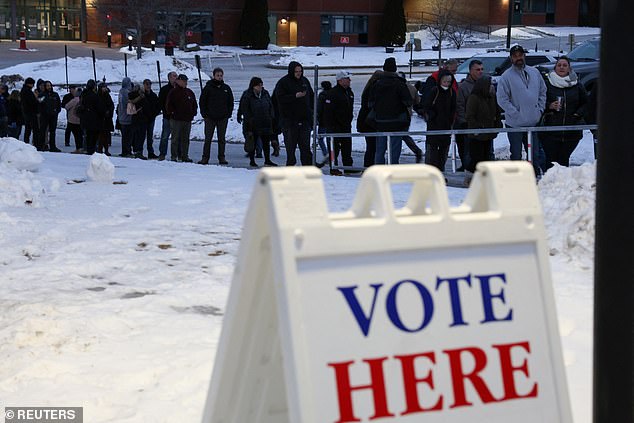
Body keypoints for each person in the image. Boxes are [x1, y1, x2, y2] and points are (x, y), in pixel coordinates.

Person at [496, 45, 547, 176]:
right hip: (515, 124)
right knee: (516, 153)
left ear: (524, 56)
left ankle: (535, 176)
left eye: (520, 55)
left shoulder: (534, 72)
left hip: (533, 122)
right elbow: (502, 99)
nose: (518, 58)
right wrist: (516, 113)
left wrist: (539, 109)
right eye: (515, 56)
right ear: (511, 58)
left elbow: (543, 91)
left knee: (534, 153)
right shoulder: (506, 76)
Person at [540, 56, 588, 169]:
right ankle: (548, 184)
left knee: (563, 161)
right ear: (555, 68)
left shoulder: (577, 85)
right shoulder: (547, 84)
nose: (561, 67)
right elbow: (539, 101)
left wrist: (577, 114)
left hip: (571, 132)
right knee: (550, 162)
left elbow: (586, 103)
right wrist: (549, 105)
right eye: (559, 65)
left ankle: (562, 185)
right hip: (550, 132)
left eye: (565, 65)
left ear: (569, 69)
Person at [368, 57, 412, 165]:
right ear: (395, 69)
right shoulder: (400, 84)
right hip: (397, 122)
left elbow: (370, 103)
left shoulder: (376, 84)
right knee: (394, 150)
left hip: (380, 121)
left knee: (380, 150)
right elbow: (408, 102)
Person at [273, 61, 315, 166]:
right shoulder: (283, 83)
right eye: (296, 71)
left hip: (304, 119)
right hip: (289, 121)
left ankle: (308, 167)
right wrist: (294, 96)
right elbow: (279, 99)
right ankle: (290, 167)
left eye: (300, 71)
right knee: (290, 148)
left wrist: (312, 112)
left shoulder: (304, 81)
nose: (298, 73)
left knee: (305, 147)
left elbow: (311, 97)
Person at [465, 76, 501, 178]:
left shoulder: (491, 97)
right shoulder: (474, 98)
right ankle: (472, 175)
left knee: (486, 156)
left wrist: (497, 125)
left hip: (488, 133)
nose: (491, 87)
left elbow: (497, 112)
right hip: (477, 135)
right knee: (477, 157)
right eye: (490, 85)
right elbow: (470, 116)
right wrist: (478, 127)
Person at [238, 76, 277, 168]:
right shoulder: (248, 95)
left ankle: (267, 160)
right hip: (253, 123)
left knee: (266, 142)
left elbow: (270, 105)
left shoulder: (265, 93)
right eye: (258, 85)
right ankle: (252, 160)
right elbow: (245, 109)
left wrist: (271, 117)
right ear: (253, 86)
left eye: (261, 85)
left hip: (265, 121)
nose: (260, 87)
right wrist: (249, 120)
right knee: (253, 142)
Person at [422, 69, 456, 172]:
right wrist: (432, 115)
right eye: (445, 81)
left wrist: (451, 121)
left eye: (449, 82)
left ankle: (440, 172)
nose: (446, 84)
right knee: (432, 152)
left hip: (446, 126)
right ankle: (431, 173)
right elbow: (426, 106)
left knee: (443, 153)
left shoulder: (451, 92)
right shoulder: (435, 91)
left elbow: (453, 108)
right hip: (434, 126)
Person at [198, 67, 234, 165]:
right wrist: (204, 114)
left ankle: (221, 157)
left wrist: (228, 114)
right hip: (210, 118)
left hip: (222, 118)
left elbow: (231, 102)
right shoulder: (208, 88)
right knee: (208, 139)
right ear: (214, 76)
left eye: (221, 75)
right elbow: (202, 102)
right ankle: (205, 158)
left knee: (221, 139)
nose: (219, 77)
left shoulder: (226, 88)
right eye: (217, 75)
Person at [323, 70, 355, 173]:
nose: (349, 80)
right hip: (334, 126)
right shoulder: (332, 93)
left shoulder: (349, 92)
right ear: (340, 80)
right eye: (347, 78)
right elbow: (328, 111)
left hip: (346, 125)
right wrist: (331, 124)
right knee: (334, 148)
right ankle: (334, 167)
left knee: (347, 147)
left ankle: (348, 167)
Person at [455, 59, 484, 171]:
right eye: (477, 69)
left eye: (482, 69)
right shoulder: (464, 87)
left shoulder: (486, 85)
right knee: (468, 151)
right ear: (471, 71)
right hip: (468, 126)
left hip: (483, 125)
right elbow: (460, 105)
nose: (480, 72)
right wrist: (465, 122)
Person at [165, 74, 197, 162]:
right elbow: (168, 105)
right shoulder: (173, 92)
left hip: (187, 119)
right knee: (175, 138)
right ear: (178, 81)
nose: (185, 82)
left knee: (185, 139)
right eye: (183, 81)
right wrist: (172, 113)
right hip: (176, 119)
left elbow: (194, 104)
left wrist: (193, 113)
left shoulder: (189, 92)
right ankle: (174, 156)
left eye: (186, 81)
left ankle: (184, 156)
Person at [357, 70, 382, 167]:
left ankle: (368, 166)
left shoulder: (368, 87)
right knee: (372, 147)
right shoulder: (374, 88)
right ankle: (369, 166)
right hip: (370, 122)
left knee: (371, 146)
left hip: (365, 121)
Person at [399, 72, 424, 163]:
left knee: (401, 136)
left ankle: (417, 150)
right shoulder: (412, 88)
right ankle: (416, 151)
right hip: (407, 116)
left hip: (398, 116)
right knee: (403, 135)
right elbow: (417, 102)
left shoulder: (398, 87)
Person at [79, 79, 106, 155]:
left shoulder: (83, 95)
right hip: (95, 121)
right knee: (93, 138)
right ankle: (92, 152)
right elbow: (100, 109)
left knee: (88, 137)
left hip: (85, 119)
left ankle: (88, 150)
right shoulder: (95, 96)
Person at [157, 71, 177, 161]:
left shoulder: (179, 89)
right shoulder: (164, 89)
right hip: (167, 117)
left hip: (177, 117)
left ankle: (177, 154)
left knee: (177, 137)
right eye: (173, 76)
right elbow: (160, 102)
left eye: (176, 76)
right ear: (169, 78)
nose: (175, 78)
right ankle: (162, 153)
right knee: (165, 136)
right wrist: (166, 111)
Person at [39, 81, 62, 152]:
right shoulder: (42, 95)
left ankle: (53, 146)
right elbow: (39, 104)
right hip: (44, 116)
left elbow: (59, 104)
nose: (49, 87)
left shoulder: (55, 95)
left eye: (50, 85)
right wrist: (43, 112)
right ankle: (42, 146)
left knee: (52, 132)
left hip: (53, 116)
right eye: (47, 85)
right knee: (43, 131)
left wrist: (57, 112)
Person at [315, 80, 333, 167]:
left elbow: (319, 108)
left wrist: (317, 118)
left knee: (320, 138)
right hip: (331, 120)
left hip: (323, 120)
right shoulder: (333, 94)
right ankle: (331, 155)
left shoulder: (322, 95)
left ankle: (326, 153)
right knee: (330, 139)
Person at [141, 79, 161, 159]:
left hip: (151, 118)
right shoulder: (141, 95)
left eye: (149, 84)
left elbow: (158, 106)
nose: (148, 86)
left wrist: (154, 114)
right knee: (141, 136)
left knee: (150, 137)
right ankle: (139, 151)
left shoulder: (153, 95)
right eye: (146, 84)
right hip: (143, 119)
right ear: (144, 85)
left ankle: (150, 152)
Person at [21, 77, 41, 149]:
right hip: (31, 113)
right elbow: (32, 102)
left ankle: (26, 144)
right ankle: (36, 145)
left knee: (27, 130)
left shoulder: (23, 90)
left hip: (26, 113)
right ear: (30, 84)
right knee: (35, 130)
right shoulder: (28, 92)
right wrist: (38, 101)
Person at [117, 77, 134, 157]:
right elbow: (129, 103)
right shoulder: (127, 93)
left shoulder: (121, 91)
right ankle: (127, 151)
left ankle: (125, 150)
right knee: (128, 136)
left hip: (121, 116)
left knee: (124, 136)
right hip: (127, 117)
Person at [64, 87, 84, 153]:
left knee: (76, 135)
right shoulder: (82, 100)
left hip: (72, 120)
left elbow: (67, 106)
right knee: (80, 135)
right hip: (80, 120)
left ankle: (78, 148)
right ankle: (81, 147)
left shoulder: (74, 100)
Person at [97, 82, 114, 156]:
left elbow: (111, 105)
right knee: (100, 135)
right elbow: (97, 106)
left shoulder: (108, 96)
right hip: (100, 118)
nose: (105, 89)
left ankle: (106, 149)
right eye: (103, 87)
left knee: (106, 135)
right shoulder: (98, 96)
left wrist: (109, 112)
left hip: (107, 118)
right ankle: (100, 149)